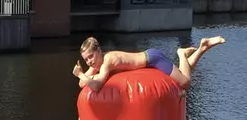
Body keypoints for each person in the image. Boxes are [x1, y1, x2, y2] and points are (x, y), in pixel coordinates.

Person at [73, 35, 226, 92]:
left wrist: (81, 74)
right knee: (181, 73)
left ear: (99, 51)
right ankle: (203, 48)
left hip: (153, 59)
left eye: (91, 56)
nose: (89, 61)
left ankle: (181, 53)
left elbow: (97, 86)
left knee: (185, 82)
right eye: (86, 59)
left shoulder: (107, 61)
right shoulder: (97, 65)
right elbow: (82, 84)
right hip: (149, 61)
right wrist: (84, 75)